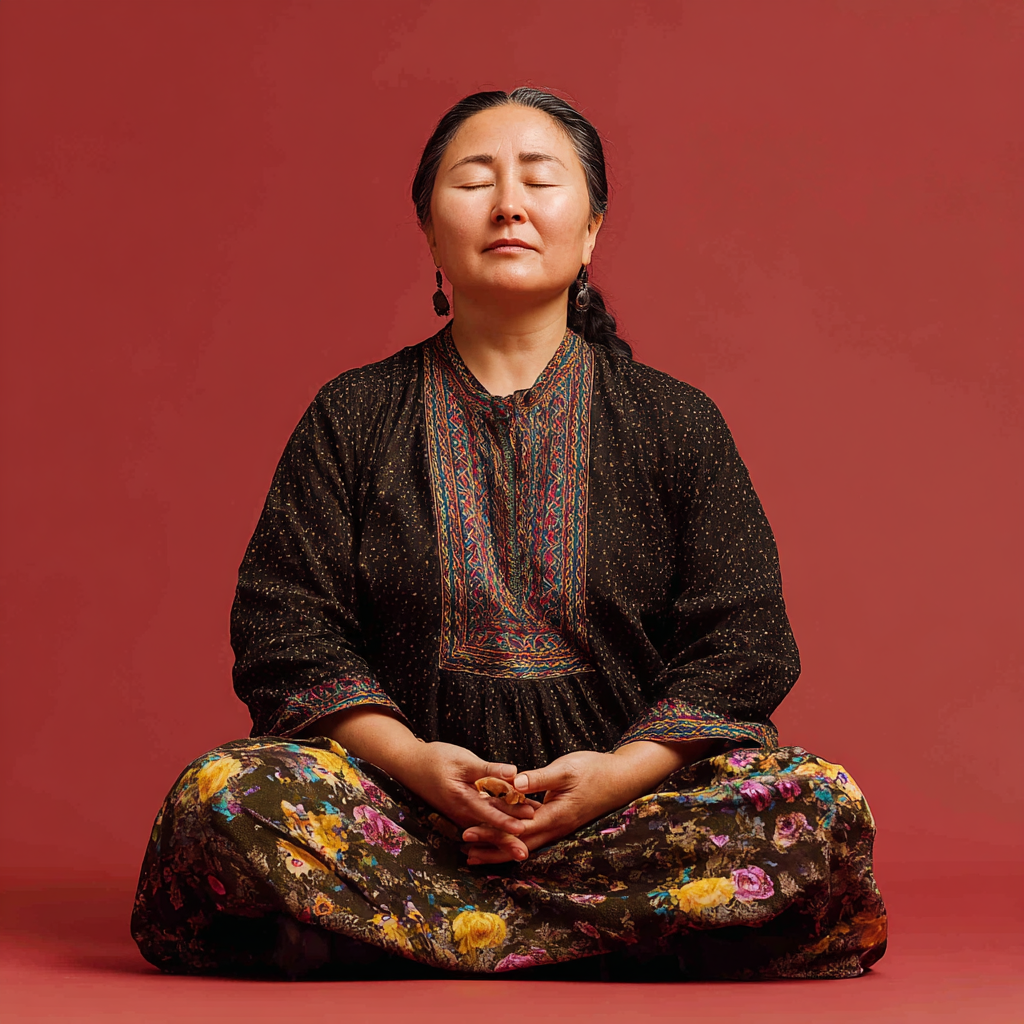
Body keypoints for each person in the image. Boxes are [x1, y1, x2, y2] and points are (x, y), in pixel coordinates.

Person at [131, 88, 887, 982]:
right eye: (476, 180)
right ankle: (626, 934)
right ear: (428, 229)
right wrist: (416, 766)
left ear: (594, 227)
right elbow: (286, 631)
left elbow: (744, 640)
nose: (509, 205)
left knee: (818, 806)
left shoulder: (674, 421)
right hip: (401, 813)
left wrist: (610, 780)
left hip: (626, 809)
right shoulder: (352, 414)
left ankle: (398, 931)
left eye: (540, 179)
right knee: (223, 800)